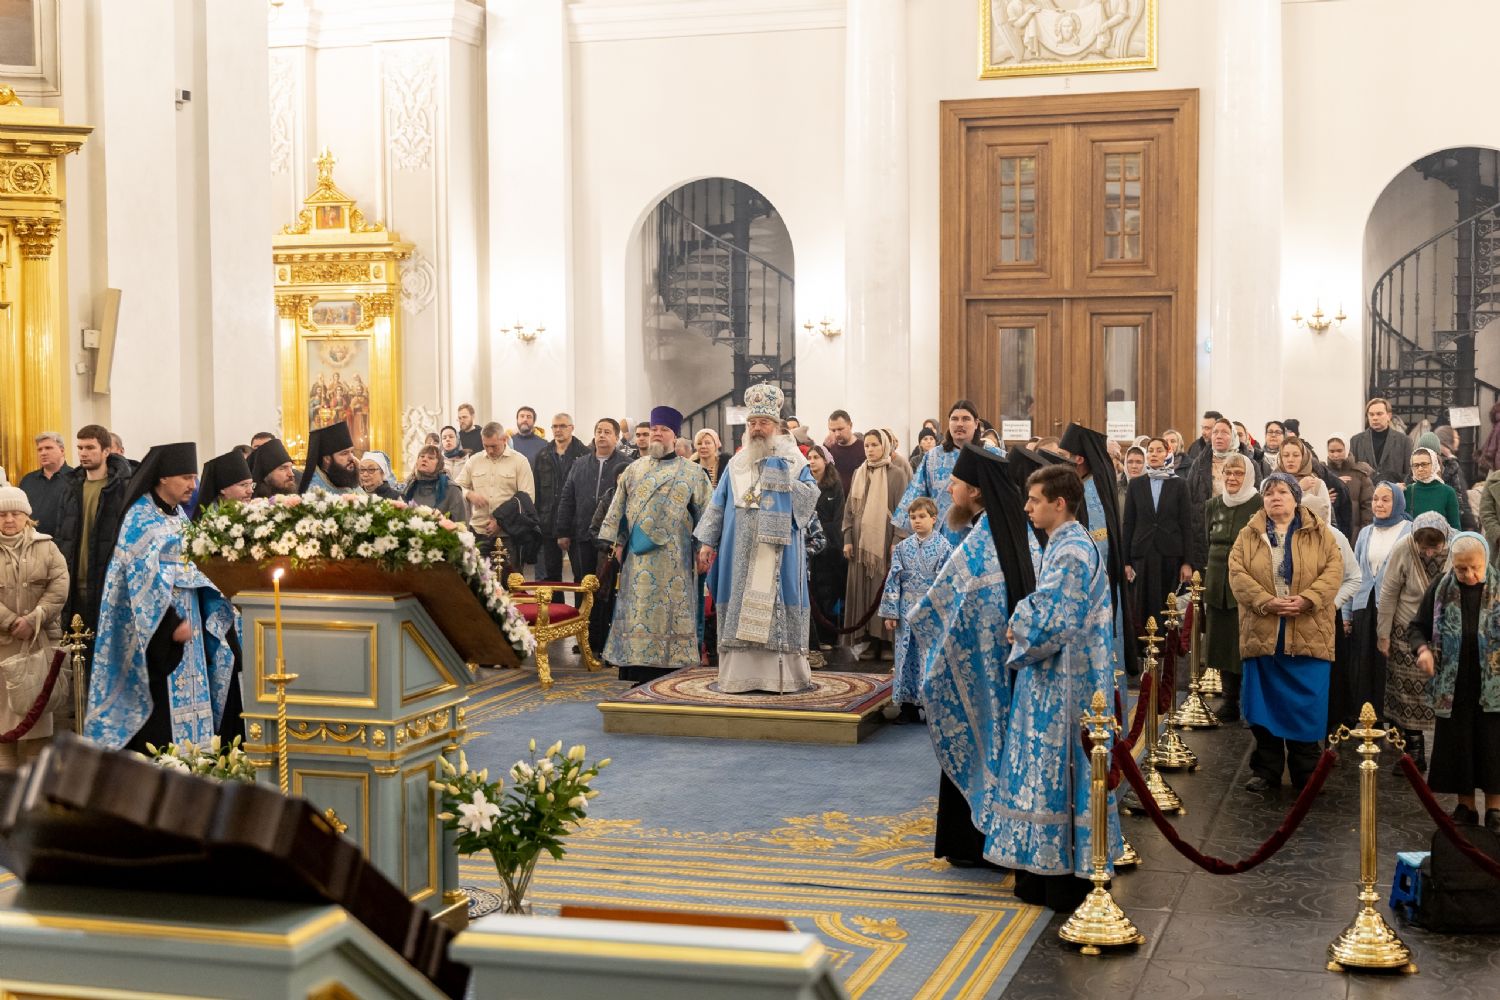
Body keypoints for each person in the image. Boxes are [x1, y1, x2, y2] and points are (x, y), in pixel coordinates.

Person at [992, 464, 1122, 910]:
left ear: (1059, 503)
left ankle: (1058, 875)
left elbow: (1056, 617)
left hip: (1066, 681)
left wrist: (1017, 624)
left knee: (1057, 767)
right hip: (1066, 675)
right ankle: (1049, 869)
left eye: (1034, 500)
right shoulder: (1068, 541)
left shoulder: (1069, 549)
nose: (1027, 508)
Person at [910, 445, 1034, 868]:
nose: (949, 488)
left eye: (957, 484)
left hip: (984, 669)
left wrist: (917, 619)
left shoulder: (981, 543)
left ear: (977, 492)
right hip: (1002, 666)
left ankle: (971, 842)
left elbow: (936, 607)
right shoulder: (1011, 531)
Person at [85, 443, 242, 752]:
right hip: (154, 639)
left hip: (191, 629)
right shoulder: (139, 519)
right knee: (160, 723)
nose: (193, 486)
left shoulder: (179, 518)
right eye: (185, 477)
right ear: (161, 478)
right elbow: (139, 582)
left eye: (194, 477)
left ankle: (196, 765)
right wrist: (170, 626)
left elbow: (198, 569)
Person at [695, 384, 820, 694]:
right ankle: (738, 677)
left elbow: (809, 499)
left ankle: (785, 678)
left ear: (776, 426)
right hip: (738, 551)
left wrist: (780, 479)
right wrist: (707, 542)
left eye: (763, 423)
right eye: (752, 423)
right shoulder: (736, 462)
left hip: (779, 551)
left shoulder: (794, 460)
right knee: (738, 607)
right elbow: (718, 503)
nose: (757, 429)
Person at [1229, 473, 1343, 793]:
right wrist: (1266, 602)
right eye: (1269, 492)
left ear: (1296, 497)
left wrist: (1307, 599)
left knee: (1306, 706)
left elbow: (1334, 572)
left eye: (1282, 491)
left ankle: (1307, 771)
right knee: (1262, 705)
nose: (1275, 497)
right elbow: (1237, 574)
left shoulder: (1321, 533)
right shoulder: (1248, 535)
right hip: (1264, 632)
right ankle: (1266, 770)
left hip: (1308, 632)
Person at [597, 407, 711, 683]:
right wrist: (617, 542)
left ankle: (673, 671)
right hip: (638, 561)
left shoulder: (693, 473)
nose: (658, 434)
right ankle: (637, 669)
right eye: (655, 429)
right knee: (639, 614)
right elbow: (619, 510)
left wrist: (703, 548)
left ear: (675, 436)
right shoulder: (634, 470)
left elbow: (707, 514)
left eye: (664, 430)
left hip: (676, 559)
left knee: (672, 614)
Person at [1409, 531, 1500, 834]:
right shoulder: (1441, 587)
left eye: (1475, 567)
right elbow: (1417, 627)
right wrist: (1423, 650)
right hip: (1454, 683)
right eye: (1461, 569)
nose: (1470, 575)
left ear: (1486, 560)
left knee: (1492, 745)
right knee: (1460, 744)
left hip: (1494, 686)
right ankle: (1466, 806)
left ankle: (1495, 808)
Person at [1060, 423, 1137, 678]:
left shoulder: (1089, 487)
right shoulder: (1087, 481)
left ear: (1079, 459)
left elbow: (1098, 543)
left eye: (1065, 457)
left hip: (1094, 590)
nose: (1061, 463)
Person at [0, 487, 69, 771]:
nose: (8, 520)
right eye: (2, 514)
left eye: (14, 514)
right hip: (3, 648)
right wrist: (9, 621)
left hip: (38, 646)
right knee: (4, 731)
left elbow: (59, 585)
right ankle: (5, 796)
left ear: (27, 517)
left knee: (37, 729)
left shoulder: (47, 547)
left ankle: (30, 797)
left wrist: (35, 618)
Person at [1376, 511, 1451, 770]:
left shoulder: (1456, 548)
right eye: (1424, 547)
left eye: (1435, 548)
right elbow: (1388, 593)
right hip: (1407, 629)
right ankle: (1414, 754)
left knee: (1444, 694)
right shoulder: (1403, 548)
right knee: (1407, 695)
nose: (1428, 553)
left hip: (1446, 634)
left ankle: (1446, 757)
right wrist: (1383, 634)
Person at [54, 424, 133, 649]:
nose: (83, 453)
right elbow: (63, 535)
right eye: (79, 448)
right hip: (74, 582)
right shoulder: (71, 486)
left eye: (90, 447)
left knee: (106, 649)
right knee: (76, 652)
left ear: (107, 451)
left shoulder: (122, 487)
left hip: (106, 581)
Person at [1344, 483, 1411, 727]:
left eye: (1386, 500)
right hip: (1364, 607)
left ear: (1398, 503)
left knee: (1389, 665)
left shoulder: (1409, 531)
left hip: (1396, 611)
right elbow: (1354, 574)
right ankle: (1368, 721)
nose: (1379, 504)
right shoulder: (1365, 533)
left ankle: (1392, 719)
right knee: (1362, 665)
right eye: (1375, 499)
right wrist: (1347, 614)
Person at [1202, 453, 1261, 721]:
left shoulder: (1259, 504)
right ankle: (1229, 701)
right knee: (1222, 645)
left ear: (1248, 475)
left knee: (1245, 644)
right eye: (1228, 473)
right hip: (1217, 584)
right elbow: (1207, 541)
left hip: (1248, 584)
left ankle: (1252, 702)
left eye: (1238, 473)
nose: (1232, 478)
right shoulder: (1213, 505)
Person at [880, 497, 950, 722]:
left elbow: (945, 583)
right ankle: (908, 706)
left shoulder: (944, 547)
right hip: (905, 609)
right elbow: (893, 579)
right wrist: (891, 612)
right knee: (905, 655)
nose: (917, 521)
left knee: (929, 656)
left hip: (931, 611)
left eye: (921, 517)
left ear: (933, 518)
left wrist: (941, 613)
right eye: (912, 517)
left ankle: (930, 706)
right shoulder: (902, 548)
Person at [842, 429, 911, 657]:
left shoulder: (897, 474)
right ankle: (869, 640)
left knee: (882, 590)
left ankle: (886, 641)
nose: (870, 450)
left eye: (875, 445)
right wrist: (848, 538)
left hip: (883, 542)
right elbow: (850, 510)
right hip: (861, 545)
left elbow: (902, 511)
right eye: (867, 446)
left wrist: (897, 539)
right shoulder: (858, 473)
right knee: (863, 593)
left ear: (885, 447)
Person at [894, 400, 991, 546]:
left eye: (965, 419)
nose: (959, 424)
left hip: (983, 537)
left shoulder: (992, 456)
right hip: (940, 537)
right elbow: (916, 498)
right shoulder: (932, 457)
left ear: (976, 423)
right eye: (954, 419)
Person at [1122, 437, 1193, 632]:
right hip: (1142, 553)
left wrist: (1187, 562)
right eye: (1150, 451)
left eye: (1159, 450)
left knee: (1166, 602)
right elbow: (1128, 524)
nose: (1154, 454)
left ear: (1167, 454)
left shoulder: (1179, 485)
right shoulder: (1136, 485)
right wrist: (1126, 561)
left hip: (1169, 553)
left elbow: (1186, 525)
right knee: (1141, 603)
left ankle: (1165, 650)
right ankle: (1144, 651)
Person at [556, 419, 632, 587]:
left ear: (616, 437)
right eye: (599, 431)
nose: (601, 435)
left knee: (608, 584)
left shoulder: (628, 465)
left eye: (607, 432)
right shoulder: (580, 463)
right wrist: (563, 531)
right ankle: (582, 614)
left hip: (611, 539)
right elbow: (567, 497)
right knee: (582, 583)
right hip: (582, 533)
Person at [455, 422, 536, 560]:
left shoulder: (520, 461)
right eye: (486, 446)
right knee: (477, 579)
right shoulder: (474, 460)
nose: (490, 451)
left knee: (510, 580)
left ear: (504, 439)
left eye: (494, 446)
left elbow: (527, 498)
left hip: (508, 534)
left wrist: (500, 522)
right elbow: (456, 487)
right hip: (479, 532)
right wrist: (469, 494)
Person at [533, 413, 589, 586]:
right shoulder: (542, 455)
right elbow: (537, 491)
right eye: (555, 426)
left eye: (562, 426)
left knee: (581, 575)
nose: (558, 430)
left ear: (571, 428)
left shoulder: (585, 455)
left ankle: (581, 612)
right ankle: (553, 612)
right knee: (551, 577)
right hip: (549, 523)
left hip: (576, 524)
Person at [806, 445, 847, 651]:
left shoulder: (834, 486)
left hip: (830, 548)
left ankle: (829, 635)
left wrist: (829, 540)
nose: (812, 461)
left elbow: (838, 518)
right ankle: (814, 636)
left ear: (826, 461)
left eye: (816, 457)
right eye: (809, 457)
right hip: (811, 546)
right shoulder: (804, 484)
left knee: (828, 592)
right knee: (813, 591)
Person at [1350, 397, 1413, 487]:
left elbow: (1409, 473)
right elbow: (1352, 471)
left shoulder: (1404, 441)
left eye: (1379, 414)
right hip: (1366, 495)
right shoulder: (1356, 441)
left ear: (1389, 416)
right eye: (1371, 414)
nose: (1375, 418)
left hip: (1394, 493)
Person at [19, 432, 71, 537]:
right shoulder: (27, 480)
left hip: (62, 545)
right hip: (30, 543)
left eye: (48, 448)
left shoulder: (75, 478)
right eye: (40, 449)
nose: (43, 453)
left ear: (62, 451)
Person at [402, 444, 467, 523]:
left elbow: (461, 524)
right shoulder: (409, 486)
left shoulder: (452, 490)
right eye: (422, 456)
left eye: (431, 458)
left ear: (439, 464)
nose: (425, 459)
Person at [1325, 437, 1374, 541]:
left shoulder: (1360, 475)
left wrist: (1364, 533)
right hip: (1329, 533)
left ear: (1347, 449)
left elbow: (1368, 506)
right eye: (1332, 451)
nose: (1335, 455)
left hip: (1355, 534)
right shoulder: (1323, 474)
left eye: (1339, 451)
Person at [1406, 446, 1461, 530]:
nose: (1420, 469)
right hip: (1414, 541)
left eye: (1424, 464)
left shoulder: (1448, 492)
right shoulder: (1408, 491)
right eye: (1416, 465)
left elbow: (1455, 527)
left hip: (1440, 541)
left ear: (1434, 464)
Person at [298, 421, 359, 494]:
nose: (351, 458)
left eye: (352, 452)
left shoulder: (345, 478)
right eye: (344, 453)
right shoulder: (314, 491)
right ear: (327, 459)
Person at [193, 450, 255, 519]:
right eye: (243, 485)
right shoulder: (211, 519)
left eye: (251, 485)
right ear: (223, 489)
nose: (250, 491)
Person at [824, 410, 865, 492]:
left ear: (850, 425)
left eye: (840, 429)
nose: (837, 434)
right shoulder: (829, 449)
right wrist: (825, 449)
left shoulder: (864, 449)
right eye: (833, 430)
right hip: (835, 501)